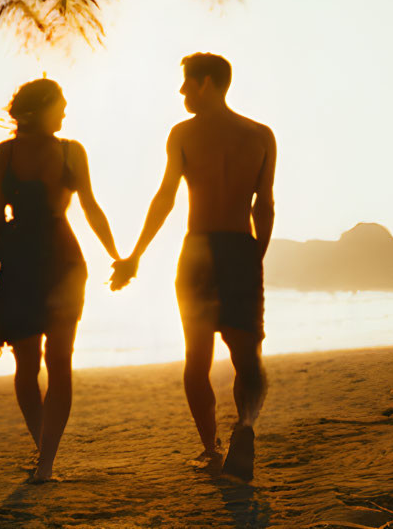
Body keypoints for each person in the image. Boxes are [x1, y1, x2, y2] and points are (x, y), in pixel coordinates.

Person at [112, 54, 276, 481]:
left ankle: (211, 449)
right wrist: (255, 256)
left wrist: (135, 256)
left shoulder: (183, 134)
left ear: (206, 83)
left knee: (196, 358)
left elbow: (165, 196)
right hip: (241, 247)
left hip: (198, 250)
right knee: (247, 357)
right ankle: (245, 426)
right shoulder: (261, 135)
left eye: (186, 84)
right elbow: (265, 204)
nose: (181, 92)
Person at [0, 78, 122, 483]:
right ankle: (44, 450)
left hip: (63, 261)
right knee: (26, 366)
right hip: (20, 263)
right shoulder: (3, 154)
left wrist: (117, 256)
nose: (65, 113)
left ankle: (46, 461)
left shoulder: (71, 152)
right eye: (59, 106)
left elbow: (91, 206)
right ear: (40, 108)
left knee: (59, 361)